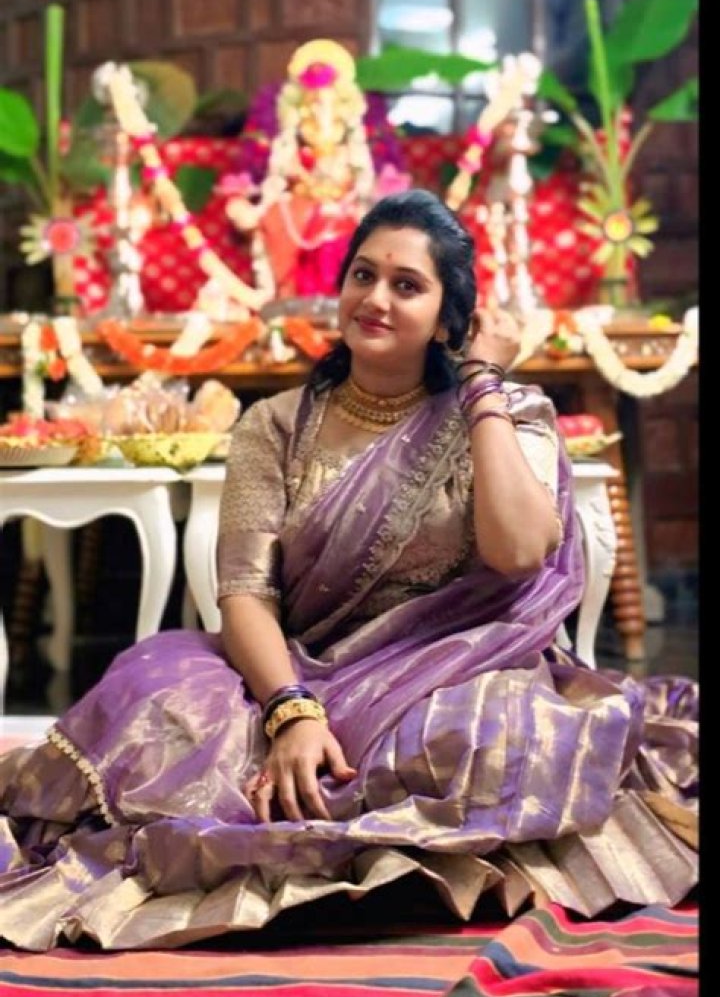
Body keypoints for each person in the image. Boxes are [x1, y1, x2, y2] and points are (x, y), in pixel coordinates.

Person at [0, 190, 697, 950]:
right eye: (363, 275)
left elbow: (519, 552)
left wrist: (481, 384)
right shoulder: (274, 426)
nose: (375, 298)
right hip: (298, 666)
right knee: (152, 689)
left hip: (452, 667)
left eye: (407, 285)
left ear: (448, 318)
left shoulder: (506, 410)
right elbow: (246, 594)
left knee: (487, 734)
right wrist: (291, 710)